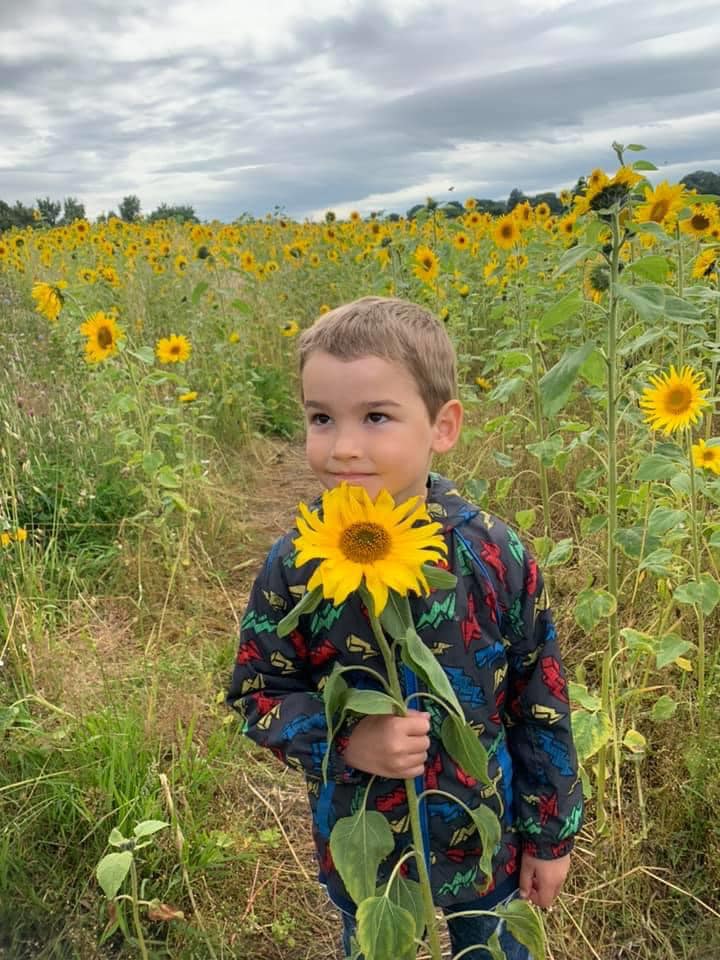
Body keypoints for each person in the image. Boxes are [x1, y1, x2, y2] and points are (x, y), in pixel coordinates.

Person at [227, 296, 583, 959]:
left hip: (484, 842)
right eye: (321, 418)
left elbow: (541, 700)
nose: (344, 447)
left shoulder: (493, 555)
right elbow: (258, 693)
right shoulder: (299, 562)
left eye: (376, 417)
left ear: (442, 427)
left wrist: (551, 836)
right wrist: (345, 740)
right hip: (367, 846)